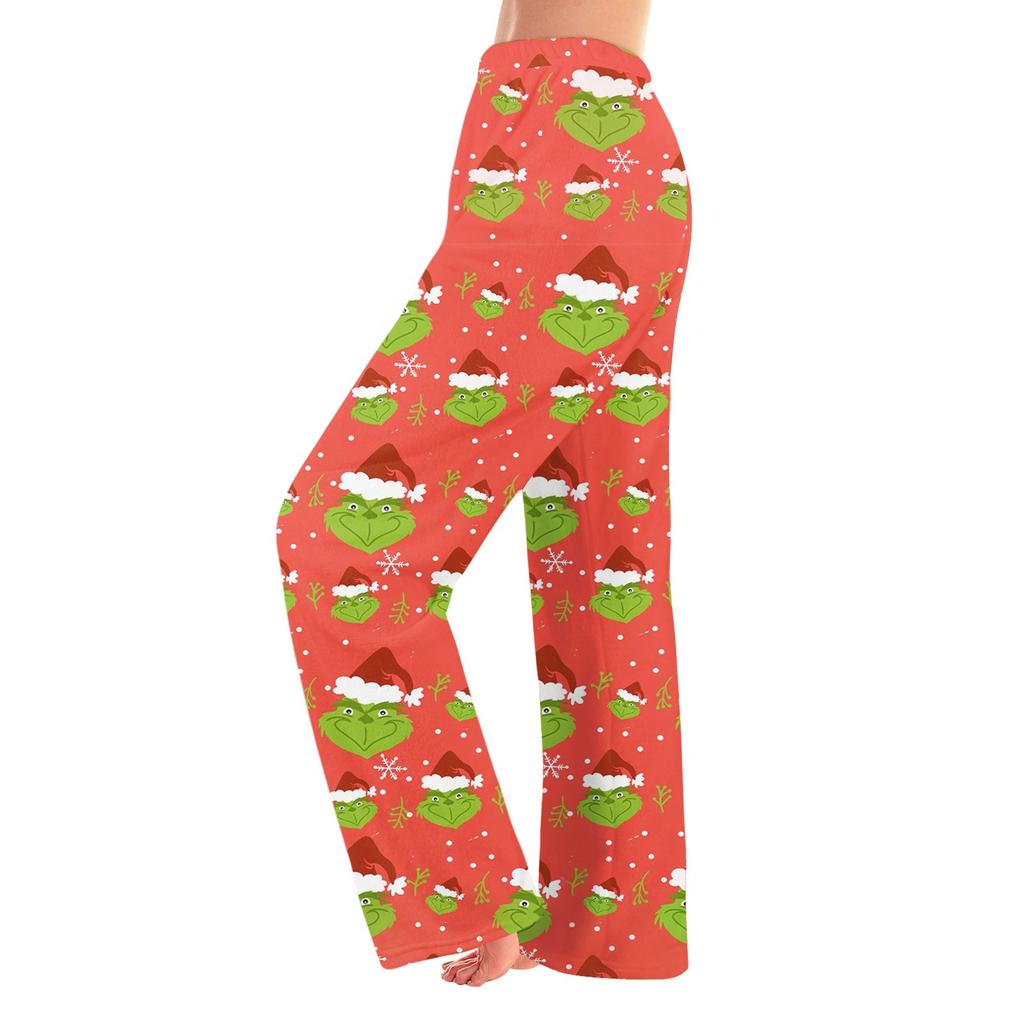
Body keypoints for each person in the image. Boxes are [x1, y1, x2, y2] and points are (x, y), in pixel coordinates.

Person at [276, 0, 690, 986]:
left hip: (569, 161)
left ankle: (471, 890)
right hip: (552, 148)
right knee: (604, 565)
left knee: (342, 544)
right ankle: (609, 921)